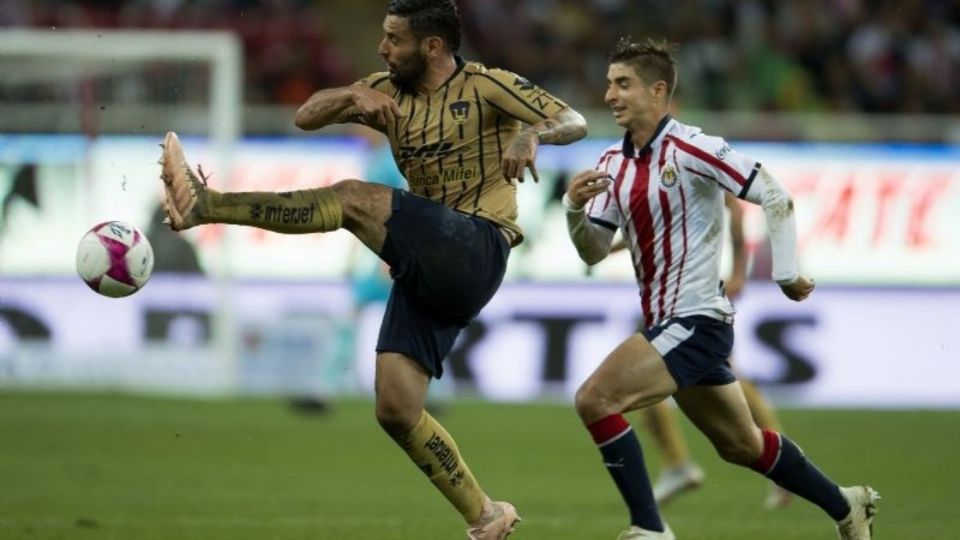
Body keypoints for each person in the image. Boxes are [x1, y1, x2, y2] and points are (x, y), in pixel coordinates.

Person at [158, 1, 587, 538]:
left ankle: (209, 205)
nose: (382, 49)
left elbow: (573, 119)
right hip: (430, 260)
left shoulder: (486, 85)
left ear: (431, 46)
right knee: (396, 408)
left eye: (394, 39)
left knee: (352, 198)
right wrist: (350, 95)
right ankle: (486, 516)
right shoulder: (385, 87)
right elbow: (305, 115)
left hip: (477, 244)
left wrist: (531, 135)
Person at [563, 37, 878, 539]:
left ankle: (650, 528)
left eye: (623, 84)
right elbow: (593, 251)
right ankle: (846, 504)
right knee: (743, 446)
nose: (610, 96)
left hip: (697, 319)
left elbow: (772, 193)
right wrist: (574, 210)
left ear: (658, 90)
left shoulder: (694, 148)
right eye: (608, 84)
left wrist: (786, 273)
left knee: (594, 400)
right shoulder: (611, 164)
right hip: (668, 322)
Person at [633, 194, 792, 509]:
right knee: (718, 377)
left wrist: (737, 273)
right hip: (670, 290)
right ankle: (782, 467)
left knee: (639, 374)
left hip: (697, 290)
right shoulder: (659, 170)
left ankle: (681, 465)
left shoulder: (691, 164)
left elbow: (732, 209)